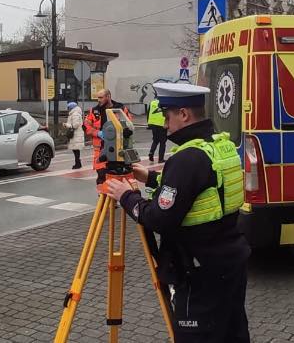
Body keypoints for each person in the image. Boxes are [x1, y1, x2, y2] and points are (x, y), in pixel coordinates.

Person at [103, 82, 250, 343]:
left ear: (184, 114)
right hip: (229, 261)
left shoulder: (186, 159)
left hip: (199, 271)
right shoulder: (219, 146)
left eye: (167, 116)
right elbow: (201, 189)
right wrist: (150, 178)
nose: (164, 124)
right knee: (232, 334)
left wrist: (126, 196)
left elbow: (160, 219)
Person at [83, 89, 131, 184]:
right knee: (102, 176)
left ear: (108, 96)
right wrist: (97, 133)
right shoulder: (95, 111)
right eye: (98, 98)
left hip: (118, 148)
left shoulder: (120, 108)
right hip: (101, 149)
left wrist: (125, 131)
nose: (99, 100)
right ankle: (102, 192)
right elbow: (86, 126)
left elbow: (129, 124)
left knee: (120, 177)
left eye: (101, 97)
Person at [63, 101, 85, 169]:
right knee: (75, 149)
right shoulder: (74, 113)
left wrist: (67, 125)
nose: (68, 109)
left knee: (76, 149)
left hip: (76, 134)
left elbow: (75, 125)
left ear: (71, 108)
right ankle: (78, 163)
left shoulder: (75, 114)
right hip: (76, 134)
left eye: (68, 108)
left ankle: (78, 163)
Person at [147, 97, 167, 163]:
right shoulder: (164, 103)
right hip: (161, 124)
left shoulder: (152, 102)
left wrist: (149, 124)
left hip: (153, 124)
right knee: (162, 142)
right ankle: (160, 159)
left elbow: (148, 113)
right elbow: (166, 114)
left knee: (155, 140)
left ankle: (151, 152)